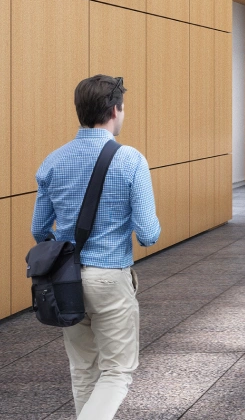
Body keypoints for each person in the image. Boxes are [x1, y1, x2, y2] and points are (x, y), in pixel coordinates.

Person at [32, 75, 161, 420]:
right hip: (110, 279)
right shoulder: (130, 159)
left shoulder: (53, 161)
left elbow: (39, 230)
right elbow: (149, 234)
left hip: (66, 280)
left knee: (83, 370)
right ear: (115, 110)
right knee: (117, 372)